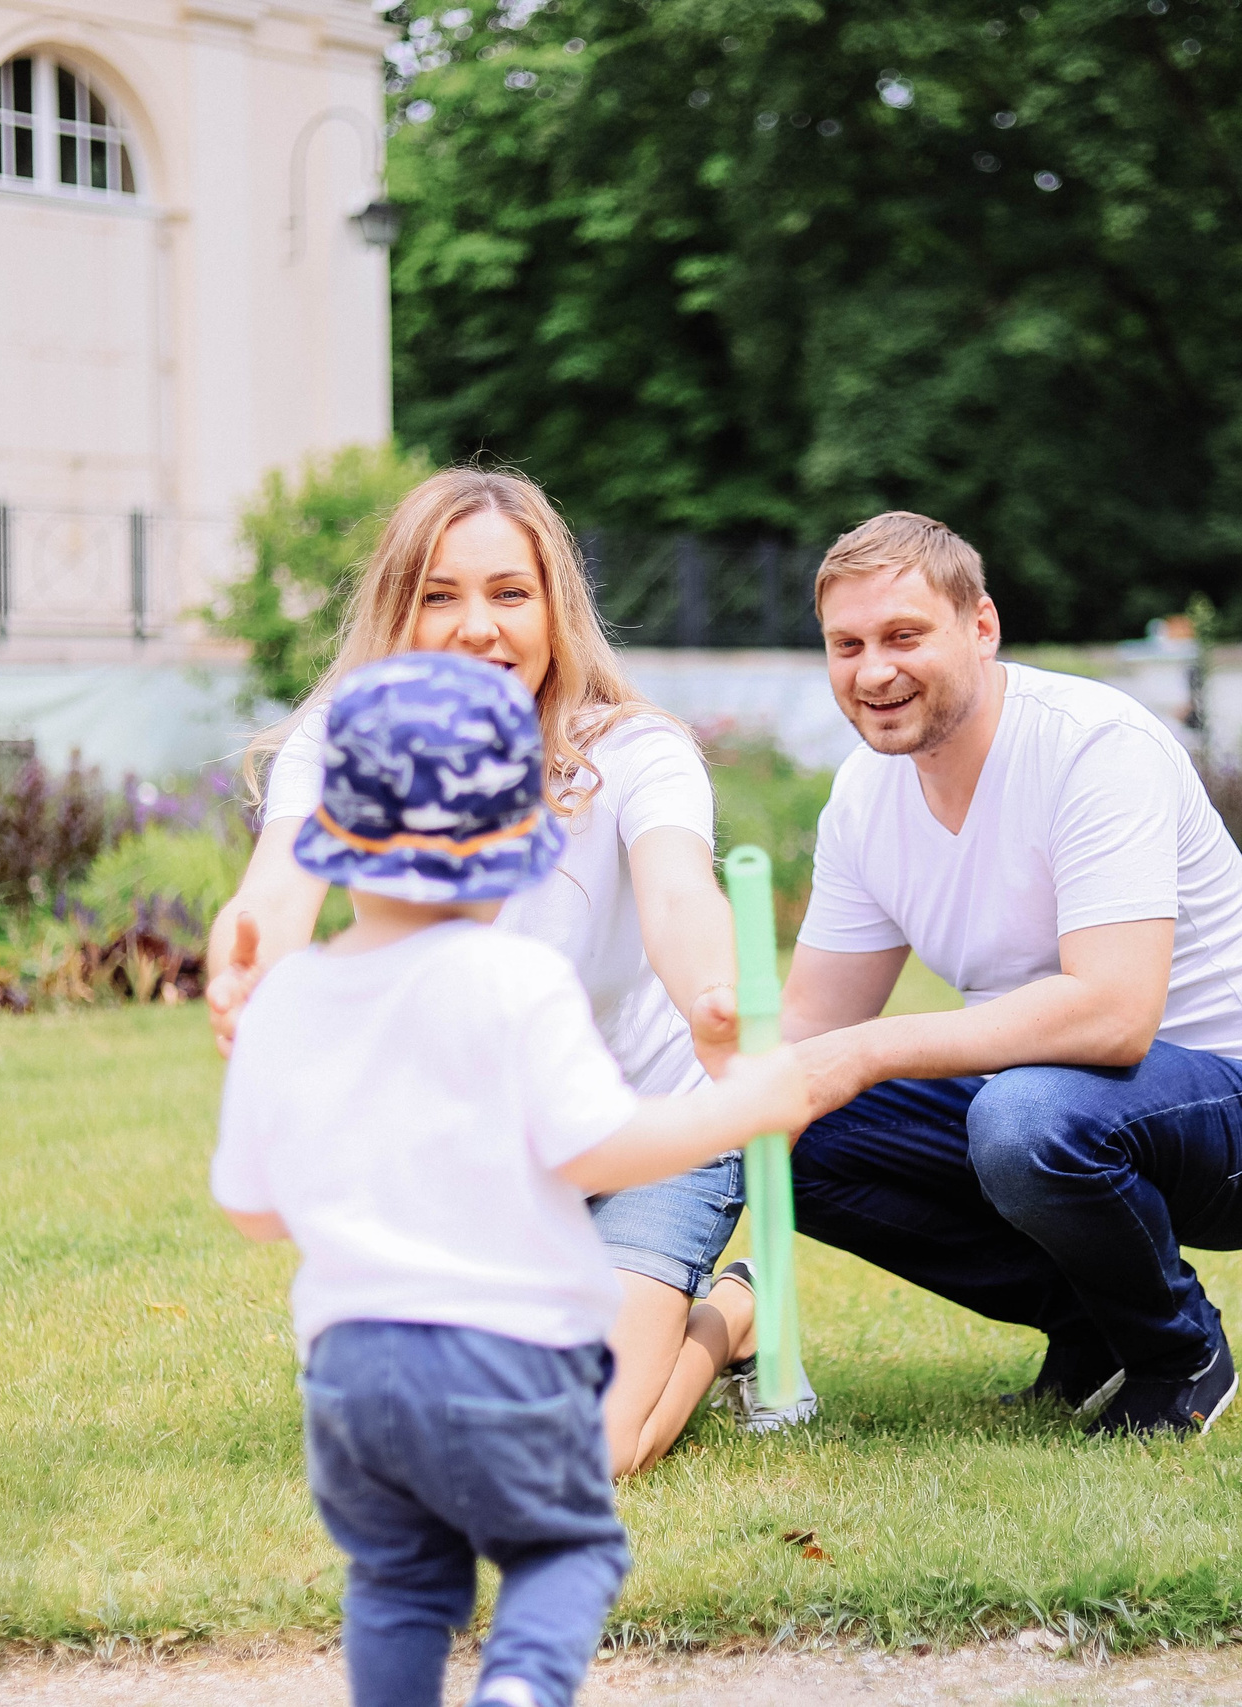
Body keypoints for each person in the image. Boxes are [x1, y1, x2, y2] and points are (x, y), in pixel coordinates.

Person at [213, 653, 810, 1707]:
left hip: (347, 1375)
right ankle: (521, 1690)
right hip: (509, 1361)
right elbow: (593, 1150)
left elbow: (252, 1210)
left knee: (398, 1581)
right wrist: (740, 1109)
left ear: (336, 846)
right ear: (512, 858)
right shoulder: (517, 980)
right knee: (564, 1552)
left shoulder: (292, 998)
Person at [204, 466, 810, 1473]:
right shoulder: (346, 744)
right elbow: (280, 881)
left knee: (587, 1447)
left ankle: (734, 1315)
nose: (476, 626)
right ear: (398, 608)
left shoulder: (638, 752)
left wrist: (712, 1001)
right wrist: (249, 965)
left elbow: (676, 893)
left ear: (554, 607)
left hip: (644, 1134)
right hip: (468, 1153)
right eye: (439, 594)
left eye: (508, 594)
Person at [777, 512, 1242, 1436]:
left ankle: (1178, 1353)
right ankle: (1095, 1325)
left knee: (1024, 1118)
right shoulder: (863, 796)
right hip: (1062, 1103)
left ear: (982, 627)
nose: (872, 671)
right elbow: (806, 1031)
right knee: (788, 1118)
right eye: (847, 644)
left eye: (903, 636)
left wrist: (871, 1051)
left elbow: (1115, 1014)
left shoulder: (1093, 744)